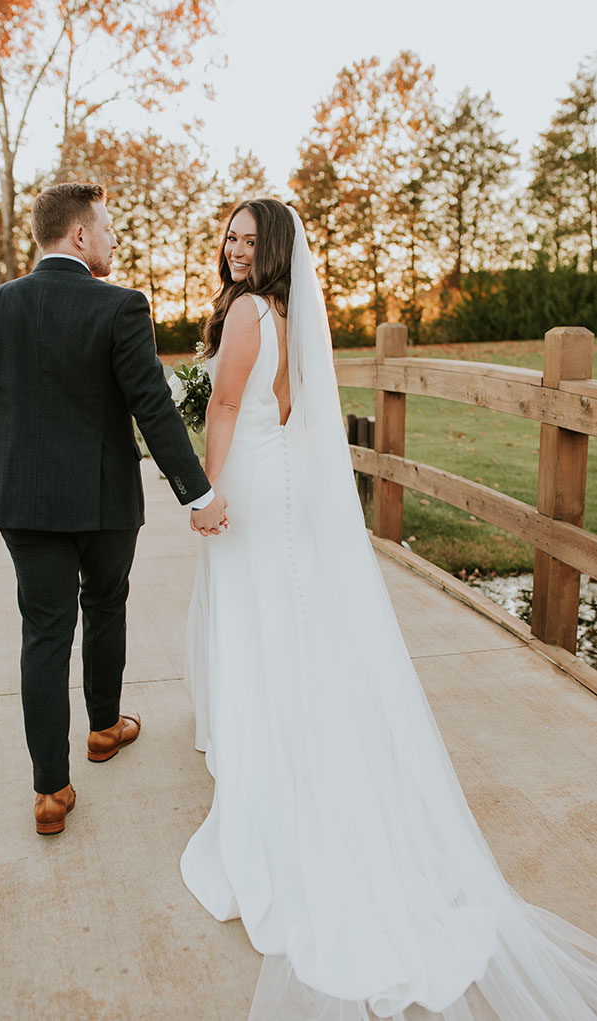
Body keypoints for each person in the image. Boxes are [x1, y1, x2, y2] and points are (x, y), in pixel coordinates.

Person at [181, 198, 597, 1019]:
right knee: (291, 630)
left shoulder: (244, 314)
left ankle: (276, 789)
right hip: (290, 489)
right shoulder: (290, 314)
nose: (233, 249)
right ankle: (308, 755)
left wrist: (206, 493)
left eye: (246, 239)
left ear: (272, 251)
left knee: (262, 634)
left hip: (252, 491)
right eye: (226, 236)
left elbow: (225, 409)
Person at [0, 181, 227, 836]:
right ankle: (104, 728)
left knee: (44, 631)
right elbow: (151, 407)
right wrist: (198, 491)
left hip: (23, 499)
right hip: (105, 500)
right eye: (106, 229)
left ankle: (50, 790)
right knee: (105, 602)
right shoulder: (122, 306)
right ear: (79, 235)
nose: (112, 240)